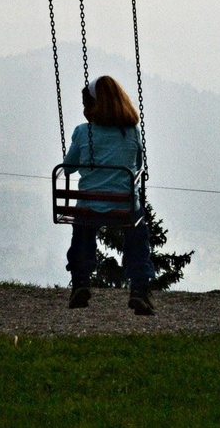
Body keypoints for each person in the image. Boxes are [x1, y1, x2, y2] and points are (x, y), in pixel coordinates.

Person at [63, 75, 156, 315]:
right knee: (137, 238)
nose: (84, 111)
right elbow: (138, 163)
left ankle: (81, 282)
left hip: (89, 206)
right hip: (124, 206)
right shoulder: (132, 131)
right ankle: (139, 290)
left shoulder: (83, 133)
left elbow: (69, 167)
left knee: (82, 234)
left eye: (86, 105)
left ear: (96, 106)